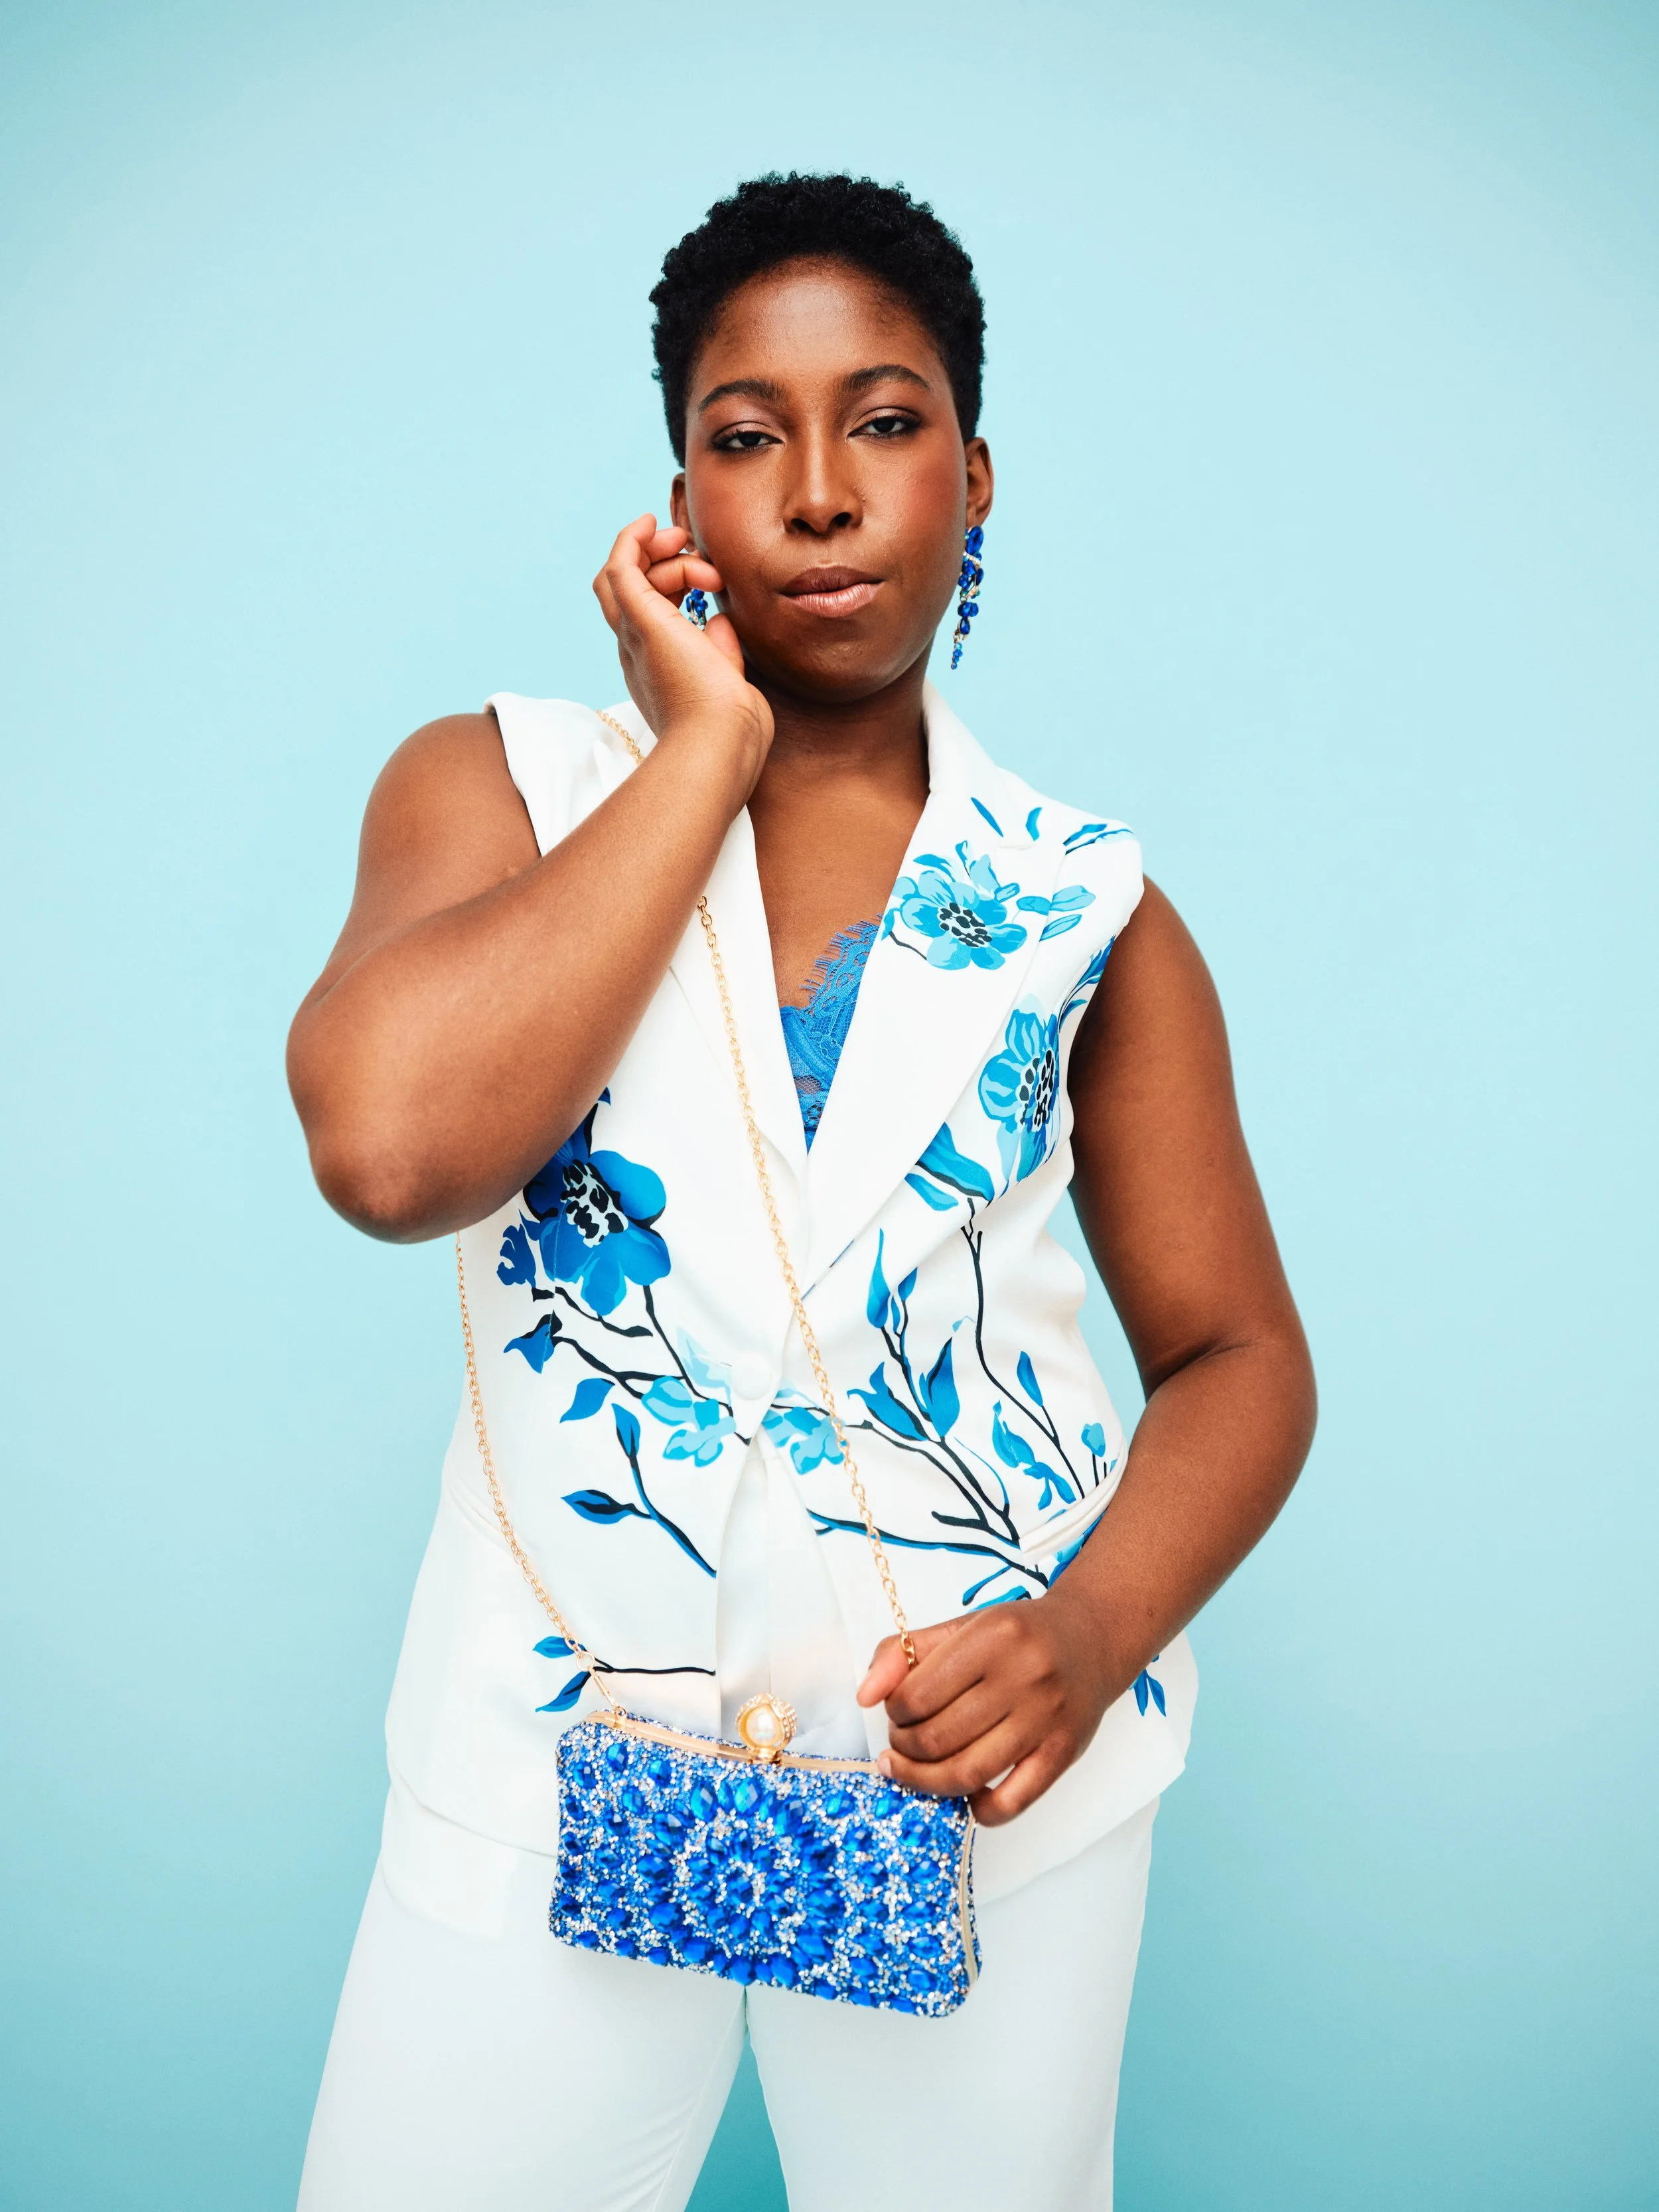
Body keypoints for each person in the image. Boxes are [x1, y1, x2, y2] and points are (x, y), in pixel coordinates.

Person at [287, 172, 1315, 2212]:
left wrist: (1089, 1629)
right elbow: (392, 1152)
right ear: (674, 492)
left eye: (886, 417)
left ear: (974, 472)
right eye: (746, 435)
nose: (821, 490)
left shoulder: (1085, 905)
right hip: (545, 1772)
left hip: (978, 1801)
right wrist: (698, 752)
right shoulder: (498, 788)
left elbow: (1237, 1351)